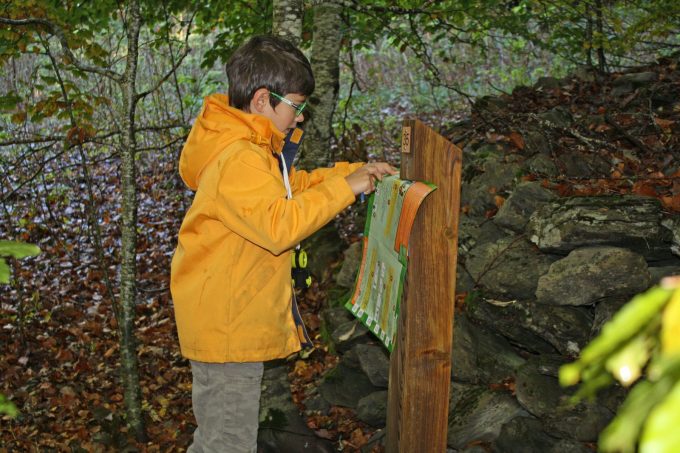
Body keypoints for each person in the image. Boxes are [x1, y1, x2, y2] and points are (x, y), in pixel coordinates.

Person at [170, 35, 396, 452]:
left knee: (220, 439)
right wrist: (346, 188)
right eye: (296, 105)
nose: (300, 118)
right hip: (227, 327)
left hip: (229, 321)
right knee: (227, 444)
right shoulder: (238, 156)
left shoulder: (249, 149)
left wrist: (353, 174)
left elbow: (291, 192)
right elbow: (280, 225)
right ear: (262, 101)